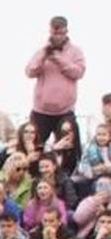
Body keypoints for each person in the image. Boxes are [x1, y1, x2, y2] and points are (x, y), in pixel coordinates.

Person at [25, 17, 87, 154]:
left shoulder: (76, 52)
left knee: (68, 149)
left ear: (66, 31)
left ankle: (65, 174)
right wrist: (43, 56)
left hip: (65, 111)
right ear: (50, 31)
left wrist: (58, 59)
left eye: (61, 33)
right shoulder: (41, 51)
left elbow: (79, 72)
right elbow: (29, 72)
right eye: (54, 32)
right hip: (41, 111)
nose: (57, 36)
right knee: (35, 147)